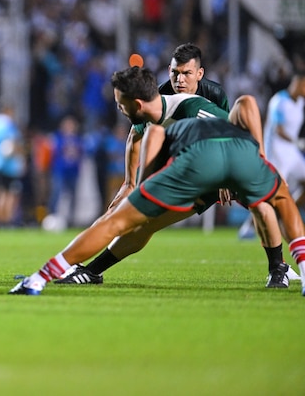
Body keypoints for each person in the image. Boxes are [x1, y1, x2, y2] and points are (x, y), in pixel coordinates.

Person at [59, 61, 299, 287]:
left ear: (138, 103)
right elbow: (131, 185)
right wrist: (109, 220)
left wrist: (239, 171)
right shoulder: (139, 129)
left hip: (230, 164)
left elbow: (232, 129)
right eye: (175, 73)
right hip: (196, 178)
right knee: (145, 223)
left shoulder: (190, 106)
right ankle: (91, 271)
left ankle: (278, 267)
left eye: (121, 103)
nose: (119, 109)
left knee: (267, 206)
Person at [9, 116, 305, 297]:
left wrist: (134, 198)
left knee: (122, 223)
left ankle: (42, 277)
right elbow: (247, 105)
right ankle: (289, 269)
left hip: (199, 164)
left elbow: (140, 174)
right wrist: (257, 154)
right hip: (240, 157)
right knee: (277, 200)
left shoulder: (156, 122)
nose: (179, 77)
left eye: (184, 72)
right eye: (176, 72)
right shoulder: (202, 100)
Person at [263, 72, 305, 202]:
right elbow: (278, 129)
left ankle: (288, 216)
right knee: (274, 193)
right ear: (297, 84)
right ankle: (251, 223)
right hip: (276, 150)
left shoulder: (301, 102)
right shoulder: (279, 100)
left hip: (292, 150)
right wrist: (297, 141)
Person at [0, 100, 27, 226]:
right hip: (9, 165)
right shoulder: (7, 124)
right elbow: (11, 144)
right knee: (10, 194)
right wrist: (22, 155)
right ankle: (7, 222)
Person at [158, 42, 229, 111]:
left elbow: (226, 122)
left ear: (199, 74)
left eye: (186, 73)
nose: (180, 79)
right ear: (169, 71)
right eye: (175, 72)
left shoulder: (215, 95)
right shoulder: (159, 95)